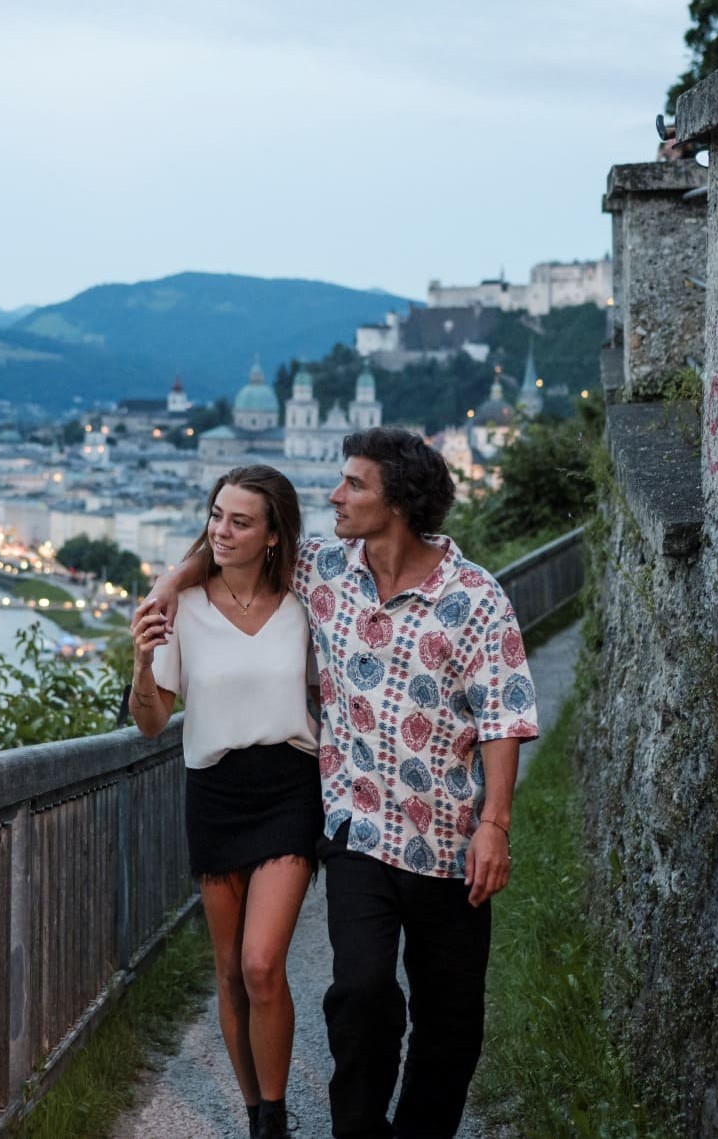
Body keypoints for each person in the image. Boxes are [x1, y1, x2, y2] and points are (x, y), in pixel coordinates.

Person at [139, 428, 538, 1139]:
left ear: (401, 503)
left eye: (353, 484)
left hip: (447, 837)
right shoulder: (324, 570)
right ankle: (355, 1128)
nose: (334, 495)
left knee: (450, 1018)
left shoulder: (476, 598)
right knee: (358, 992)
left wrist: (495, 823)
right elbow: (240, 538)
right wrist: (171, 582)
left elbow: (504, 713)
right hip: (357, 830)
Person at [129, 464, 322, 1139]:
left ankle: (274, 1118)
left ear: (273, 535)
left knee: (261, 961)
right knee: (231, 972)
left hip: (290, 787)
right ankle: (254, 1112)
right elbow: (152, 722)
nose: (223, 529)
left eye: (241, 520)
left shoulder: (306, 602)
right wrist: (140, 663)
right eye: (216, 516)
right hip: (213, 790)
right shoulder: (183, 609)